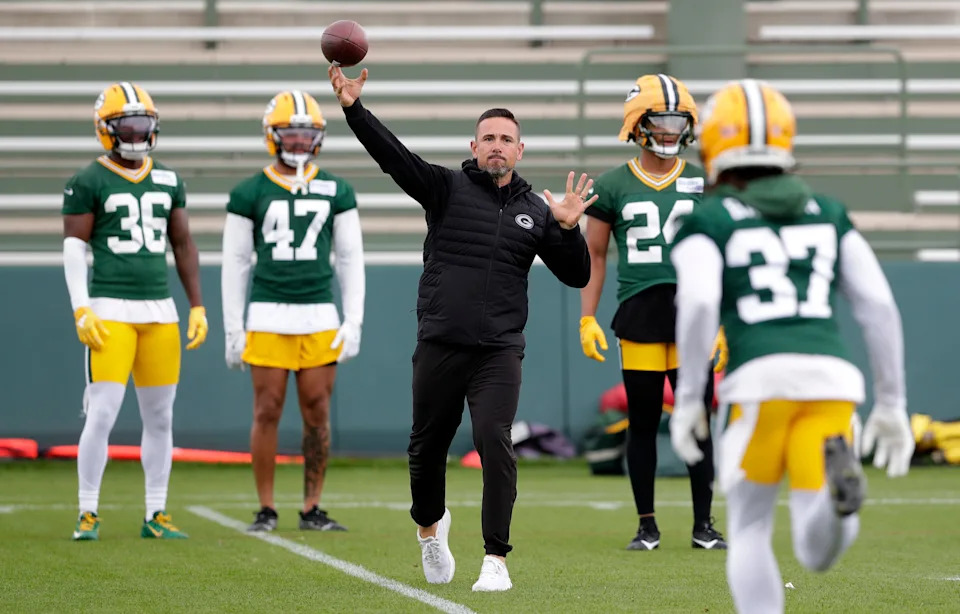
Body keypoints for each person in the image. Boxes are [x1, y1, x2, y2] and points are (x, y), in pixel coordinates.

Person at [328, 65, 594, 592]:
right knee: (425, 448)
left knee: (494, 440)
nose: (497, 146)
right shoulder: (446, 188)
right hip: (441, 342)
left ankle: (496, 558)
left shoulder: (535, 211)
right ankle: (430, 529)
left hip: (498, 349)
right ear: (473, 146)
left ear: (521, 151)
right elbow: (393, 158)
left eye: (507, 139)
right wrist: (353, 109)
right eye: (489, 138)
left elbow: (578, 275)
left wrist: (568, 229)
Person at [669, 79, 915, 614]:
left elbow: (700, 306)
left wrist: (690, 396)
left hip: (760, 382)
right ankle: (837, 503)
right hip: (831, 381)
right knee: (815, 544)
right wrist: (892, 403)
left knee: (751, 526)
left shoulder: (707, 217)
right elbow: (877, 305)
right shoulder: (827, 210)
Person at [578, 74, 726, 551]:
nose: (669, 133)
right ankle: (647, 525)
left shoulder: (705, 180)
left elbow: (725, 252)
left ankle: (704, 524)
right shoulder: (612, 184)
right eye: (660, 123)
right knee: (643, 423)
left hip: (693, 314)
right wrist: (587, 316)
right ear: (637, 124)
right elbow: (595, 257)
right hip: (640, 312)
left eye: (677, 123)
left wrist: (724, 320)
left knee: (697, 419)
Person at [63, 81, 209, 541]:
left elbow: (182, 244)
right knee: (102, 413)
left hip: (160, 313)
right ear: (105, 130)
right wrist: (81, 307)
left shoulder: (167, 177)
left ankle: (156, 513)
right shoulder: (88, 180)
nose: (135, 133)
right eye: (125, 125)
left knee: (161, 418)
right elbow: (73, 248)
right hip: (109, 309)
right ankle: (88, 511)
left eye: (142, 124)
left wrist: (197, 305)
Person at [221, 90, 365, 533]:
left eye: (307, 134)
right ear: (273, 135)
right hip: (267, 313)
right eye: (291, 133)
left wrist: (353, 318)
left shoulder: (337, 189)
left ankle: (311, 506)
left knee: (317, 411)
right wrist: (233, 327)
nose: (300, 142)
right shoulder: (249, 190)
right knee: (267, 409)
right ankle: (266, 507)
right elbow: (236, 263)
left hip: (318, 314)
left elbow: (349, 259)